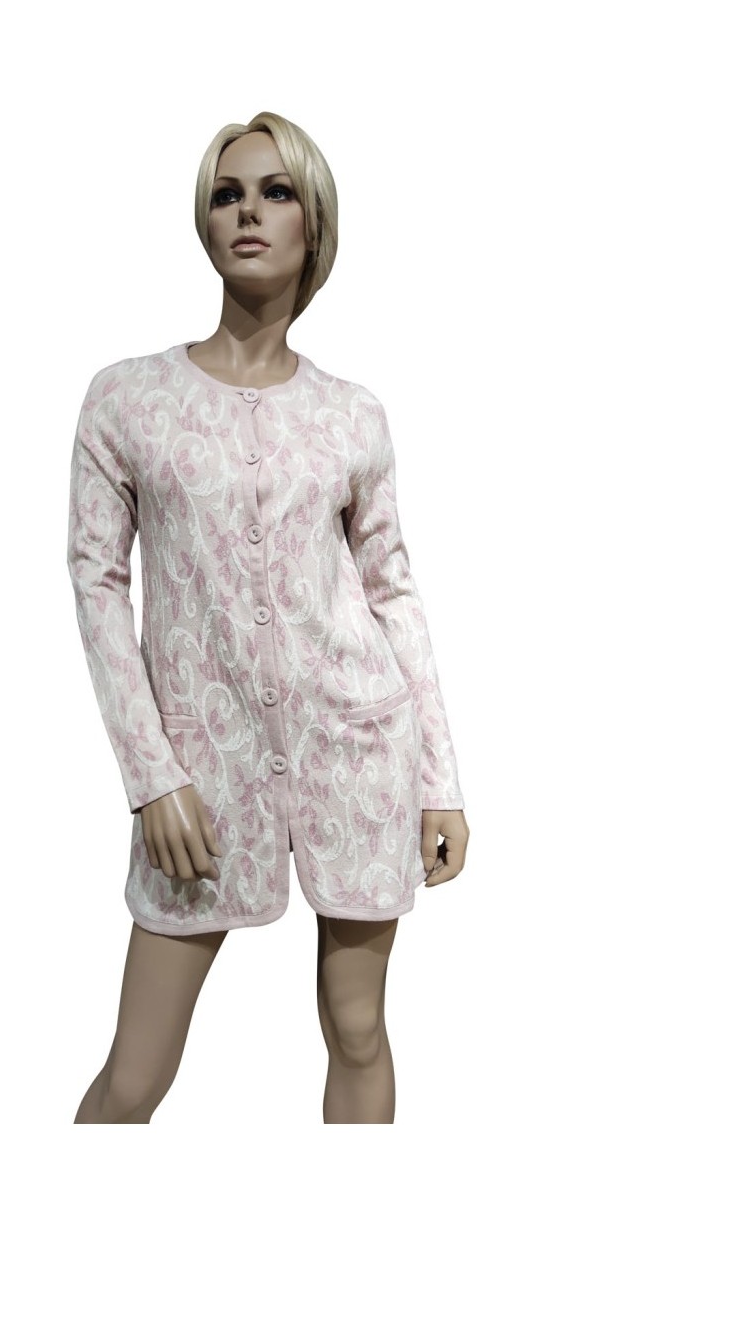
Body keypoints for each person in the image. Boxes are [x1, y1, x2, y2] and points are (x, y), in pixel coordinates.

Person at [67, 111, 470, 1124]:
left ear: (312, 223)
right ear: (204, 224)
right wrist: (151, 775)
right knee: (135, 1074)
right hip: (200, 776)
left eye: (275, 191)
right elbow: (97, 582)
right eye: (226, 193)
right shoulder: (126, 401)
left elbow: (391, 591)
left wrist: (439, 782)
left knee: (359, 1030)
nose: (247, 211)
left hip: (357, 754)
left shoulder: (353, 414)